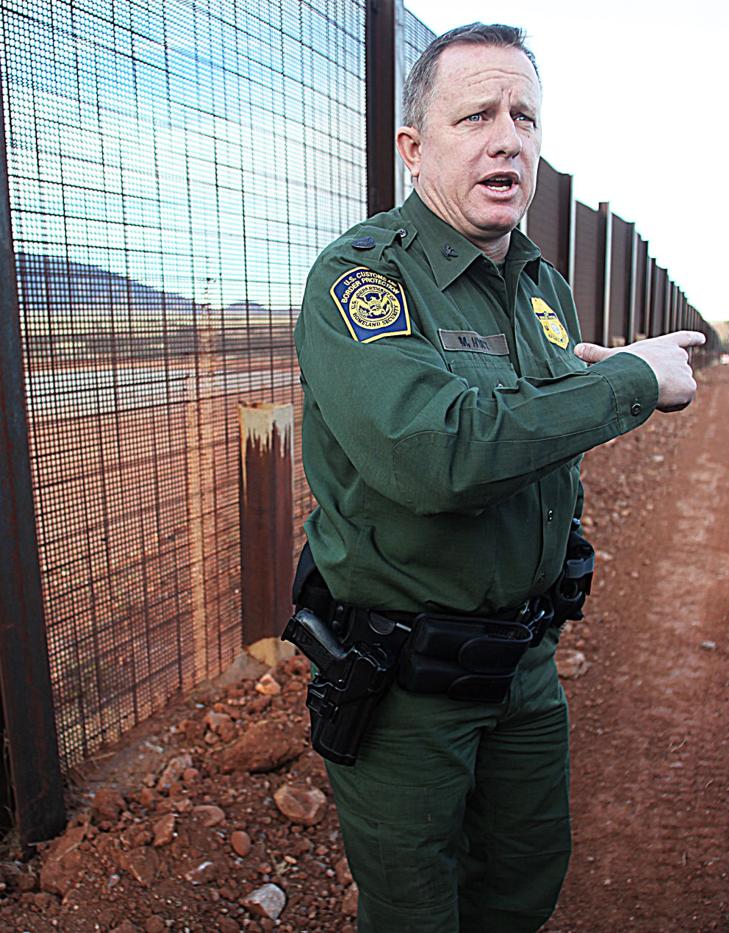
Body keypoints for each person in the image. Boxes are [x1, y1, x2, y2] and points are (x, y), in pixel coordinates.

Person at [293, 22, 703, 932]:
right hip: (408, 682)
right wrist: (628, 381)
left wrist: (590, 377)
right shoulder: (362, 281)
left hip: (524, 664)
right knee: (416, 913)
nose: (507, 137)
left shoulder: (537, 284)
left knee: (523, 883)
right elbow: (437, 452)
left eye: (524, 115)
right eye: (475, 114)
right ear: (413, 147)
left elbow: (534, 420)